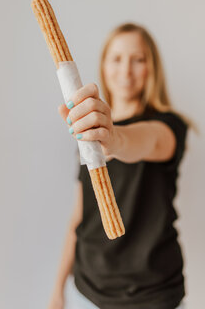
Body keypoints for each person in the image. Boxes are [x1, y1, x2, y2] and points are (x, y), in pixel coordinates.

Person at [47, 23, 194, 309]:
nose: (126, 70)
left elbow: (146, 141)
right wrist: (57, 288)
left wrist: (114, 139)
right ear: (104, 64)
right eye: (117, 58)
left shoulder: (169, 127)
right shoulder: (85, 134)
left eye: (138, 59)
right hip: (88, 290)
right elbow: (79, 216)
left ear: (152, 68)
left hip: (153, 294)